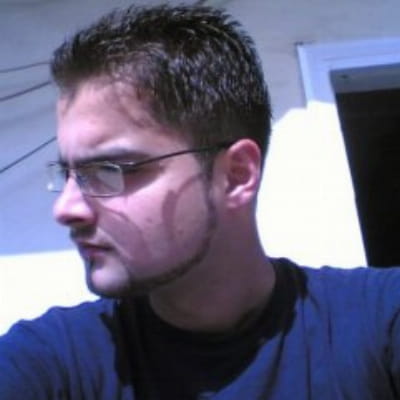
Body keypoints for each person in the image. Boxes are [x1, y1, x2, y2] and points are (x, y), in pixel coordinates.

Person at [1, 4, 400, 400]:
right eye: (68, 173)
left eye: (110, 169)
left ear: (236, 175)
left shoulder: (378, 323)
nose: (65, 209)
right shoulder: (51, 360)